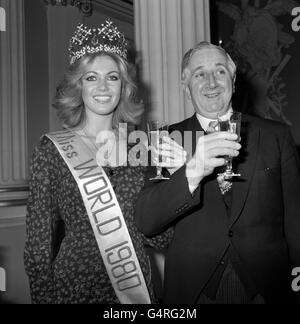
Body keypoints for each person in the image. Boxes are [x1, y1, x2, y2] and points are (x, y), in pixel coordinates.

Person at [24, 19, 183, 304]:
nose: (103, 86)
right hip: (74, 287)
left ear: (124, 87)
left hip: (134, 287)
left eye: (112, 77)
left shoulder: (142, 148)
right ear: (78, 86)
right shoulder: (51, 150)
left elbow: (160, 238)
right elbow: (37, 245)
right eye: (91, 77)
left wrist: (172, 177)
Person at [135, 41, 300, 304]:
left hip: (268, 287)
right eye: (200, 74)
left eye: (220, 71)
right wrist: (191, 172)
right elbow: (146, 220)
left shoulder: (275, 135)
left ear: (233, 81)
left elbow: (295, 217)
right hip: (194, 290)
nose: (211, 82)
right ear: (186, 88)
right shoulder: (166, 139)